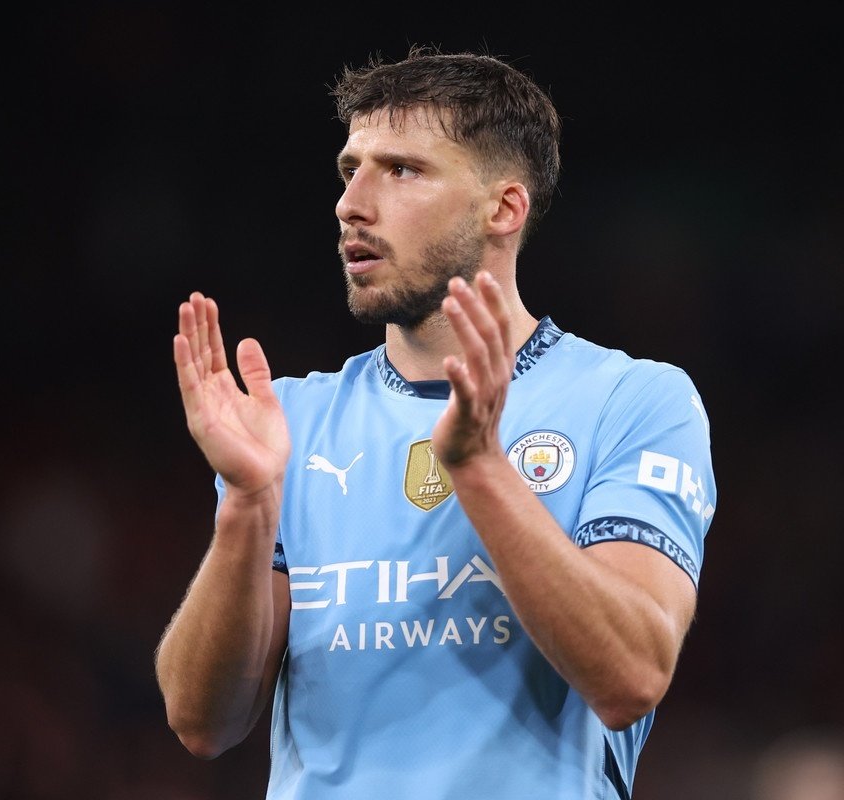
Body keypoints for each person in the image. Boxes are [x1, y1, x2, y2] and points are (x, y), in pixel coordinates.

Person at [155, 44, 717, 799]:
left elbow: (631, 676)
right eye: (349, 169)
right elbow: (203, 722)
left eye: (402, 170)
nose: (351, 202)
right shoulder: (291, 420)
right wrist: (248, 507)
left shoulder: (631, 400)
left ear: (503, 208)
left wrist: (479, 466)